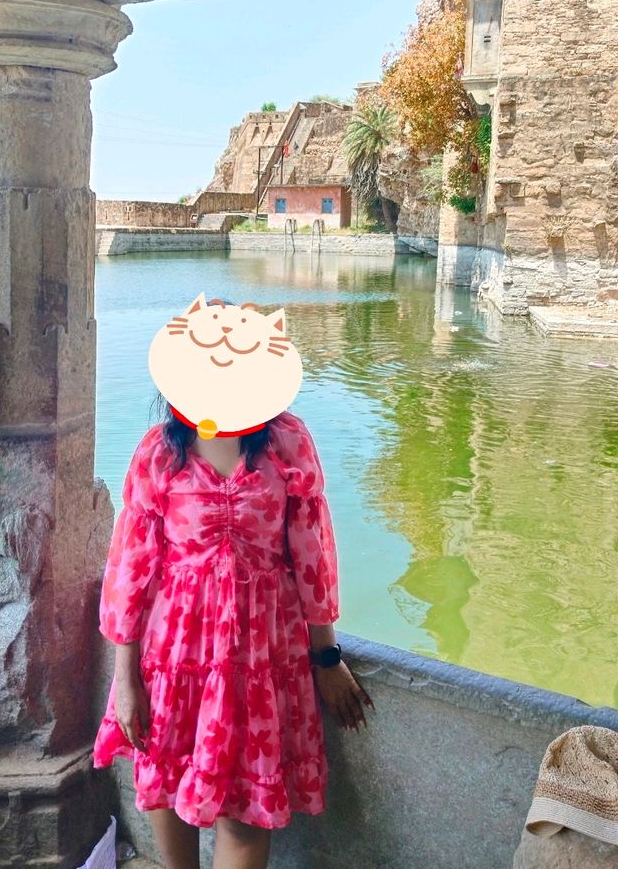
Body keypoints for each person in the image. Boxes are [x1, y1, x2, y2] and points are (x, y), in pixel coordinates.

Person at [93, 311, 374, 869]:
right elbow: (131, 569)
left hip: (261, 655)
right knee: (167, 779)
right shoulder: (159, 453)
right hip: (175, 651)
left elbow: (313, 557)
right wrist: (125, 679)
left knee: (245, 811)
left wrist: (327, 656)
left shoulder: (288, 444)